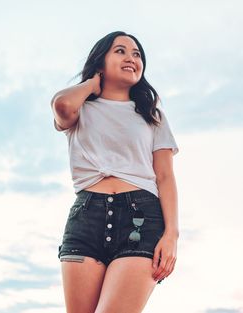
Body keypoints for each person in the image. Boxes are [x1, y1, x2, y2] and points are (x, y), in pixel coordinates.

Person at [50, 31, 179, 313]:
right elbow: (62, 105)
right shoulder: (80, 107)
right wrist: (91, 84)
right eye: (120, 51)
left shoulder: (151, 113)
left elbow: (166, 176)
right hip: (86, 217)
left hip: (140, 219)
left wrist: (171, 235)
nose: (131, 58)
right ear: (101, 61)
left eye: (137, 54)